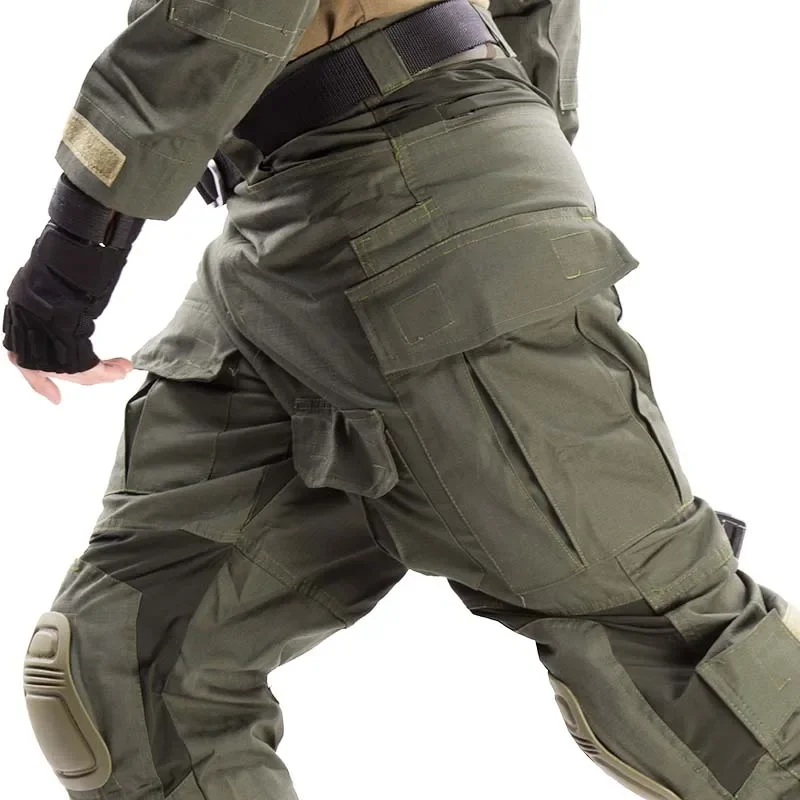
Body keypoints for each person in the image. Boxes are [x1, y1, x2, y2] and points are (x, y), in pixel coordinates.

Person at [6, 1, 799, 798]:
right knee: (129, 664)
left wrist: (76, 252)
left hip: (414, 193)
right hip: (284, 218)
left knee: (683, 667)